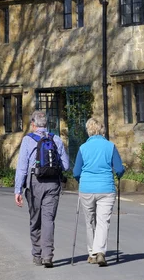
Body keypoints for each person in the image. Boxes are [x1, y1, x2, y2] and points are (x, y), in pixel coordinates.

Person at [15, 111, 69, 268]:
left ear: (33, 124)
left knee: (35, 219)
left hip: (34, 182)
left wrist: (18, 190)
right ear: (46, 124)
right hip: (53, 184)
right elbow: (65, 165)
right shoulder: (56, 139)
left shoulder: (27, 140)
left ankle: (37, 255)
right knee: (48, 219)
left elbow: (22, 167)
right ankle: (48, 256)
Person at [73, 117, 124, 267]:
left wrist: (81, 181)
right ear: (102, 130)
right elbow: (119, 169)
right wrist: (120, 174)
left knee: (89, 221)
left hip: (87, 189)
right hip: (106, 189)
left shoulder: (83, 148)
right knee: (103, 221)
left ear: (88, 131)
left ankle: (92, 254)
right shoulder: (110, 146)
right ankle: (100, 251)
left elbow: (76, 172)